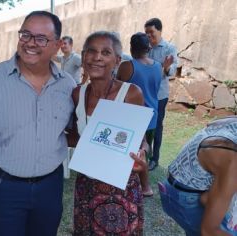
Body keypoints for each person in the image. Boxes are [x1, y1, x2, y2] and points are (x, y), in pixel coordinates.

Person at [0, 11, 76, 236]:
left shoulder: (67, 85)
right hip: (3, 189)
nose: (30, 43)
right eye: (25, 35)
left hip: (51, 186)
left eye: (41, 38)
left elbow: (73, 132)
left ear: (57, 45)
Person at [68, 31, 149, 235]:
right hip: (86, 183)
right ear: (84, 56)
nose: (97, 57)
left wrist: (142, 154)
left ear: (117, 60)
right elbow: (78, 136)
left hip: (120, 185)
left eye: (106, 52)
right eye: (91, 51)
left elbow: (142, 141)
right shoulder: (78, 93)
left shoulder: (131, 94)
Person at [159, 116, 237, 235]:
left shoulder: (232, 123)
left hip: (178, 186)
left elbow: (206, 198)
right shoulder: (231, 157)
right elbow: (209, 230)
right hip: (185, 198)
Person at [117, 32, 162, 196]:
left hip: (133, 117)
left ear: (131, 47)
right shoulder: (158, 65)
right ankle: (145, 187)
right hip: (152, 114)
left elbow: (117, 86)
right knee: (143, 149)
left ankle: (145, 187)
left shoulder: (127, 66)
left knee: (133, 151)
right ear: (148, 48)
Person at [144, 18, 178, 171]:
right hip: (145, 93)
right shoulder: (146, 48)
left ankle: (154, 159)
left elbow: (172, 72)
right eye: (146, 33)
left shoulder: (169, 48)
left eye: (151, 32)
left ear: (159, 30)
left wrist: (165, 68)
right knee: (144, 126)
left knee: (157, 127)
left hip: (159, 96)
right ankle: (143, 154)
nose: (149, 36)